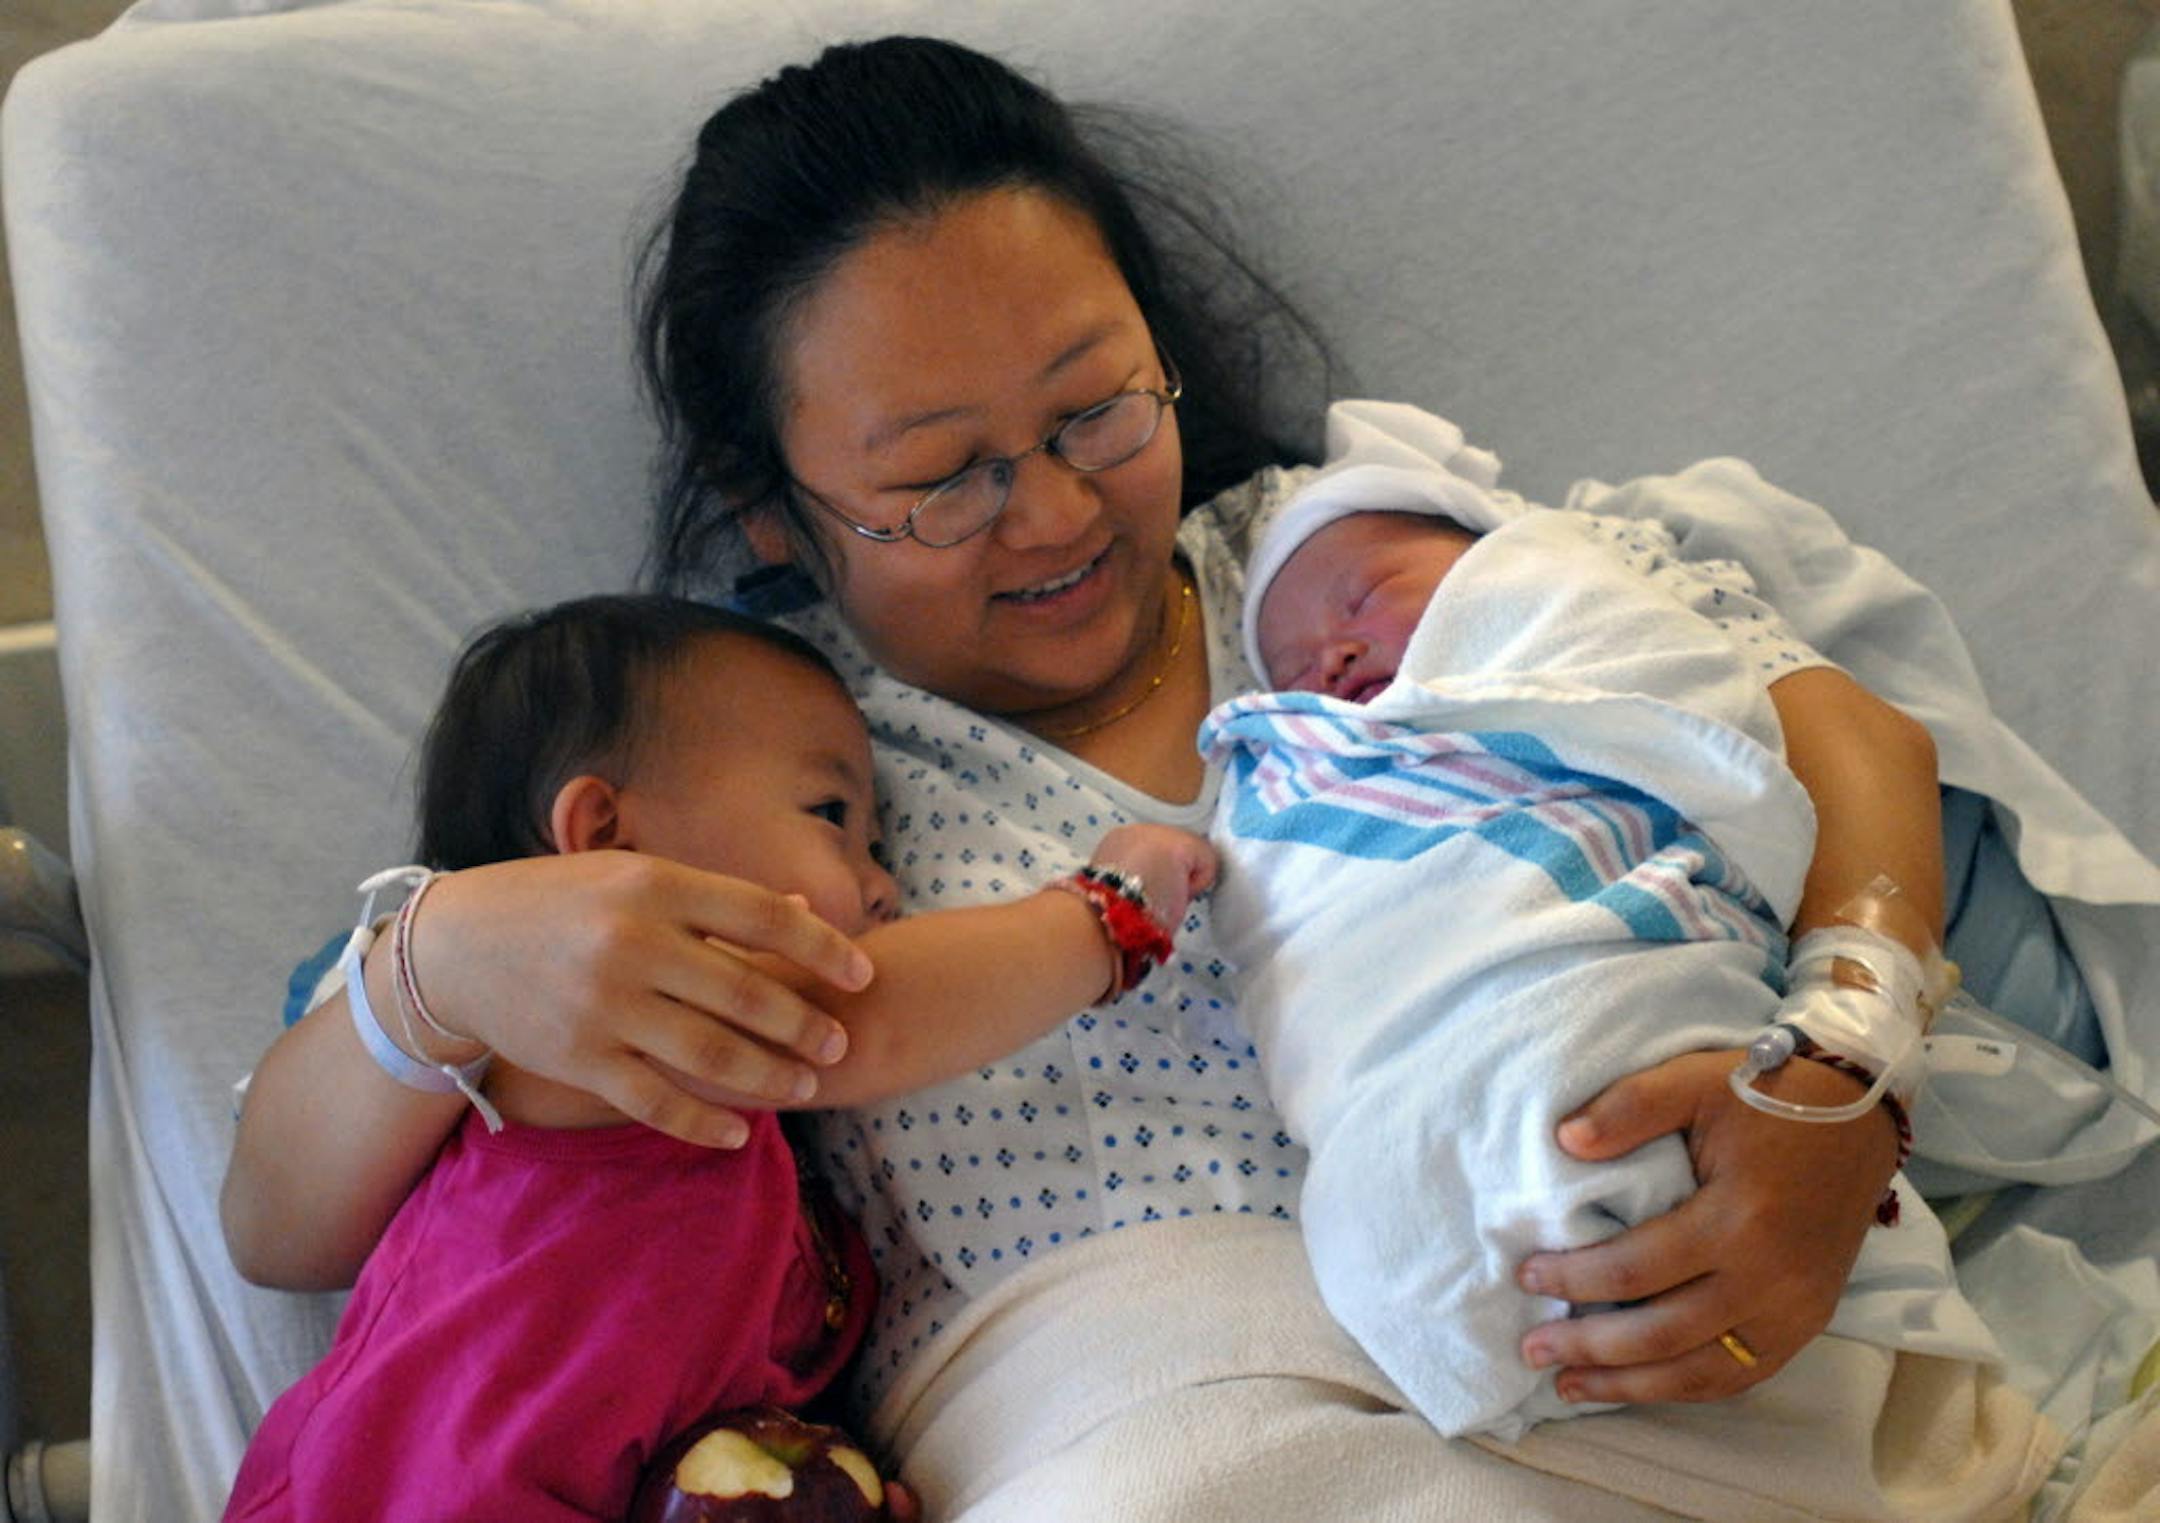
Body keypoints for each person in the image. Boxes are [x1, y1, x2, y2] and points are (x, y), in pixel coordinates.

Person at [218, 34, 2088, 1515]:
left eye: (1095, 407)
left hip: (1641, 1328)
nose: (1045, 512)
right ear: (768, 507)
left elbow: (1829, 730)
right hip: (1125, 1414)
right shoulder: (738, 755)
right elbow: (284, 1223)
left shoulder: (1353, 560)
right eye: (936, 474)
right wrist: (440, 964)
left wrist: (1843, 1070)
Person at [220, 594, 1213, 1523]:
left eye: (878, 840)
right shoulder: (575, 1042)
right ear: (605, 838)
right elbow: (867, 1017)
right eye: (832, 816)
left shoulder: (739, 1151)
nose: (885, 890)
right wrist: (1099, 921)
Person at [1200, 423, 2001, 1439]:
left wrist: (1847, 1048)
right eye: (1296, 664)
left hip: (1716, 1055)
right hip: (1418, 1240)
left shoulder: (1579, 590)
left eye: (1364, 600)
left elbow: (1863, 745)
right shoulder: (1279, 771)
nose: (1336, 652)